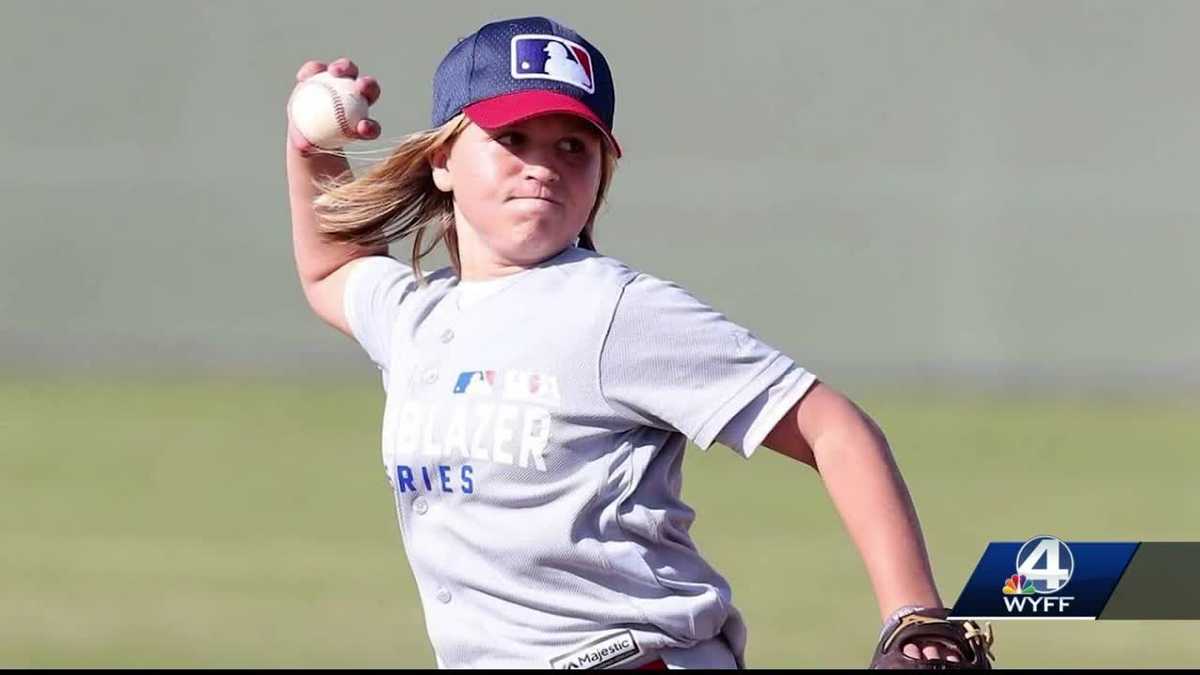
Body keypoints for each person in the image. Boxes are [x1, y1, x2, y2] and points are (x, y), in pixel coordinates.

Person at [285, 15, 993, 670]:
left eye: (573, 146)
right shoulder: (415, 315)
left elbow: (833, 427)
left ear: (601, 175)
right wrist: (309, 144)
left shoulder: (616, 312)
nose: (543, 165)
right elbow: (332, 270)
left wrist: (916, 613)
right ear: (442, 159)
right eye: (512, 138)